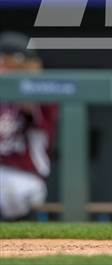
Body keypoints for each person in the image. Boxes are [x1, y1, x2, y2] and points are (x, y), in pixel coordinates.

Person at [0, 32, 58, 220]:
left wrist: (16, 69)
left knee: (14, 190)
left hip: (25, 176)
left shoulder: (40, 92)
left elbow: (28, 101)